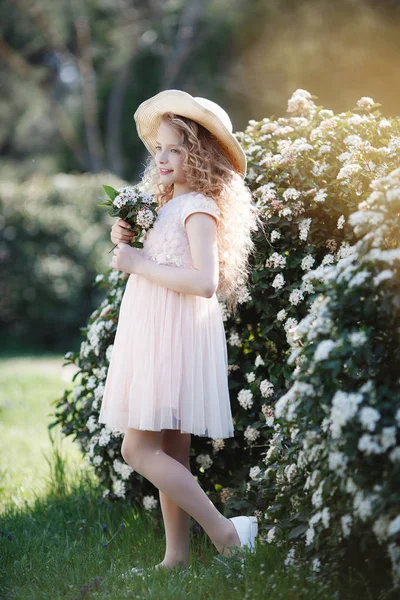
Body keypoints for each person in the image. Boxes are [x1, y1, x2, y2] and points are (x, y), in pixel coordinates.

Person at [98, 89, 262, 575]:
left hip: (174, 331)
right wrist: (125, 238)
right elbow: (154, 253)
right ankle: (176, 557)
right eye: (158, 149)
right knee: (171, 448)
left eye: (175, 148)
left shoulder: (199, 209)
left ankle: (227, 534)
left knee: (137, 448)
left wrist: (139, 262)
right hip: (156, 328)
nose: (163, 158)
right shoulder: (167, 204)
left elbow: (204, 282)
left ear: (202, 154)